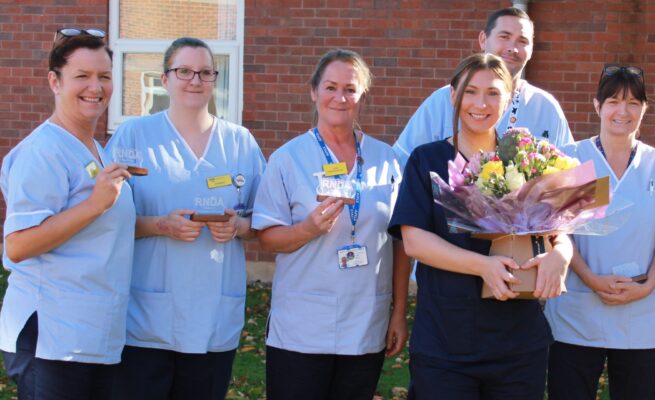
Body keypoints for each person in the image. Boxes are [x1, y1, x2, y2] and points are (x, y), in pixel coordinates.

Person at [389, 53, 572, 400]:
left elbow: (560, 229)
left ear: (508, 99)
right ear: (453, 95)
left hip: (518, 344)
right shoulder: (426, 160)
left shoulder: (529, 159)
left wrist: (560, 255)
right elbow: (414, 241)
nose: (480, 103)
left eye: (492, 93)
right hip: (446, 342)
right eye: (470, 91)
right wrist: (483, 267)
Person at [106, 37, 266, 399]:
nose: (195, 80)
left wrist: (239, 226)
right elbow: (104, 220)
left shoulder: (240, 143)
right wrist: (160, 225)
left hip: (214, 315)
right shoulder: (134, 136)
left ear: (215, 79)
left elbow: (266, 218)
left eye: (205, 72)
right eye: (184, 71)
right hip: (146, 316)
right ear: (165, 79)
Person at [253, 49, 411, 400]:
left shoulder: (386, 160)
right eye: (330, 87)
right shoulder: (287, 159)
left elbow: (402, 242)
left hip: (365, 321)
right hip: (302, 326)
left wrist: (398, 312)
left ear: (362, 97)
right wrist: (306, 229)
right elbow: (266, 237)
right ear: (313, 91)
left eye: (350, 89)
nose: (340, 97)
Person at [544, 65, 655, 400]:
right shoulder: (572, 160)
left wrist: (649, 285)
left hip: (641, 315)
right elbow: (559, 232)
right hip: (578, 312)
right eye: (613, 101)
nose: (622, 112)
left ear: (644, 109)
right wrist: (591, 279)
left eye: (633, 103)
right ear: (597, 106)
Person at [0, 28, 135, 399]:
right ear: (54, 82)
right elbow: (18, 245)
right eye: (82, 76)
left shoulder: (96, 148)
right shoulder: (42, 152)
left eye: (104, 76)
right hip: (52, 336)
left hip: (93, 333)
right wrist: (94, 203)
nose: (96, 87)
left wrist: (161, 226)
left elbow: (103, 226)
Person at [392, 7, 573, 167]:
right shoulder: (442, 100)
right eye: (504, 37)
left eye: (522, 41)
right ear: (483, 39)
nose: (513, 48)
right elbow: (399, 163)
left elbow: (571, 174)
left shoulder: (546, 107)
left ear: (532, 49)